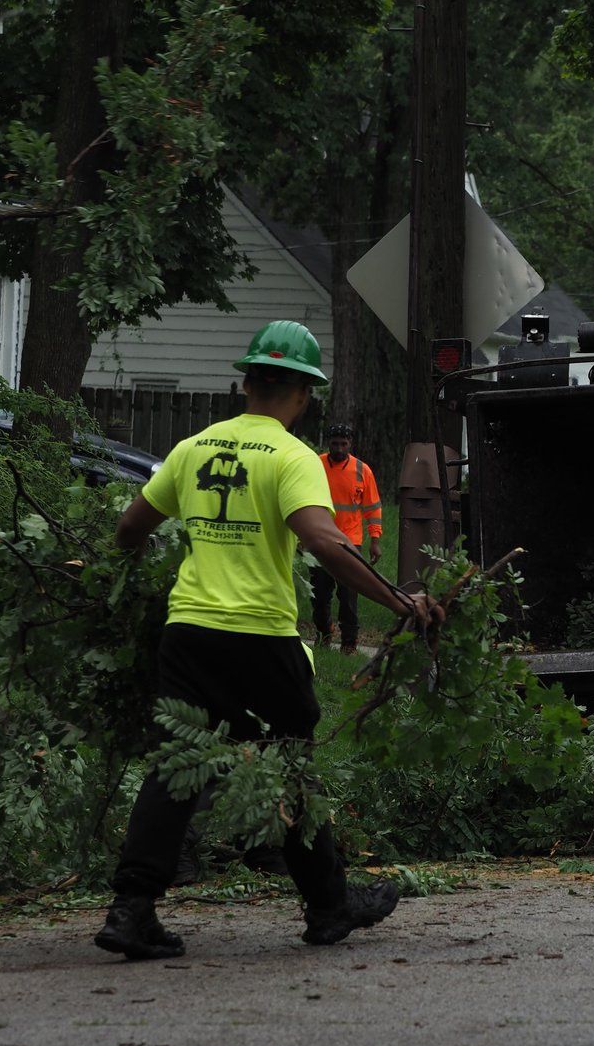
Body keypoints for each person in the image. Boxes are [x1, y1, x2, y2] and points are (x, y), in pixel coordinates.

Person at [95, 320, 441, 961]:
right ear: (304, 394)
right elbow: (322, 539)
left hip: (189, 634)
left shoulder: (193, 447)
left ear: (246, 382)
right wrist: (400, 601)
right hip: (258, 637)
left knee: (175, 767)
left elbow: (129, 529)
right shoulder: (292, 457)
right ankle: (329, 906)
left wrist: (128, 586)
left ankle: (131, 908)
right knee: (291, 768)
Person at [313, 423, 383, 653]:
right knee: (319, 594)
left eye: (344, 444)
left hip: (350, 541)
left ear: (350, 444)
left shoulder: (363, 470)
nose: (339, 448)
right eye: (335, 443)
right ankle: (323, 633)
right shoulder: (315, 465)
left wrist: (375, 540)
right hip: (320, 537)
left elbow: (372, 508)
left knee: (349, 594)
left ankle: (349, 643)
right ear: (328, 443)